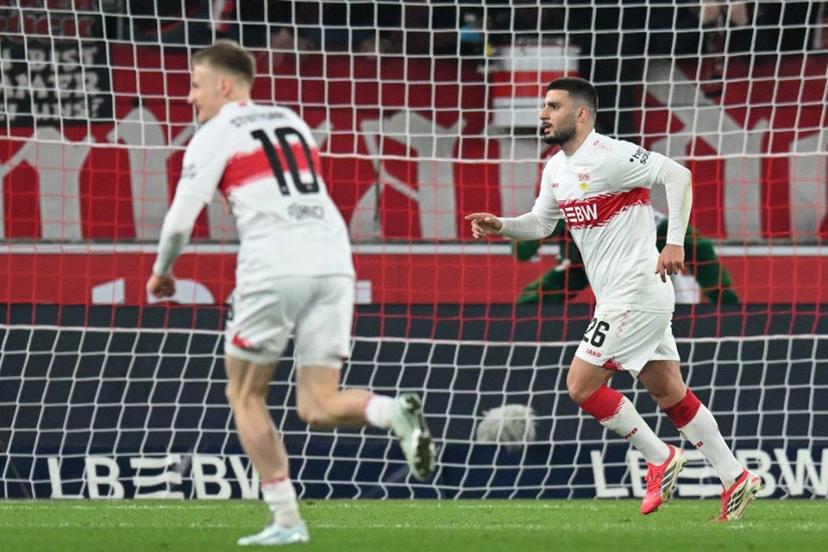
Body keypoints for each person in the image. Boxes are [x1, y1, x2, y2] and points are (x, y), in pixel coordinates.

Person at [146, 40, 435, 546]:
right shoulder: (291, 119)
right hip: (333, 260)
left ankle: (285, 520)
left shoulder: (212, 135)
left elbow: (177, 224)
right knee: (317, 406)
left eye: (195, 85)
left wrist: (161, 271)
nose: (191, 98)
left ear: (223, 84)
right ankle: (393, 413)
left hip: (274, 264)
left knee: (244, 393)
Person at [466, 77, 761, 521]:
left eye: (553, 106)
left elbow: (677, 175)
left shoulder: (613, 155)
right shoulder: (556, 169)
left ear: (581, 114)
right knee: (669, 391)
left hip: (635, 291)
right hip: (628, 296)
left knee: (581, 385)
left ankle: (660, 457)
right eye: (544, 106)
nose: (543, 114)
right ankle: (735, 475)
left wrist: (675, 242)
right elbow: (542, 223)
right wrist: (501, 225)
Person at [513, 213, 740, 305]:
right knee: (543, 293)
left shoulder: (661, 227)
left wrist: (722, 295)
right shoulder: (559, 205)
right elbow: (523, 249)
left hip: (646, 238)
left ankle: (730, 312)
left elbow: (698, 246)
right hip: (592, 255)